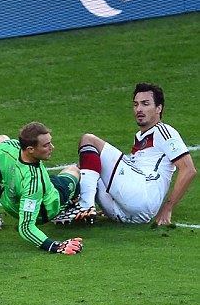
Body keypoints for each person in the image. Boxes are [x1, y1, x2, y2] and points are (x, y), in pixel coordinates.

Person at [55, 82, 196, 224]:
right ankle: (65, 208)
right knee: (86, 168)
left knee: (88, 140)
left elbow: (189, 170)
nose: (139, 109)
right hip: (130, 214)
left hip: (143, 194)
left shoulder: (164, 131)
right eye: (136, 104)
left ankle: (85, 205)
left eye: (145, 104)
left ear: (158, 108)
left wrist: (167, 208)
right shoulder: (140, 136)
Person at [0, 122, 84, 254]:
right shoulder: (34, 183)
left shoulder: (7, 149)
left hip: (11, 198)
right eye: (46, 145)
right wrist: (55, 246)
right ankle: (73, 201)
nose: (52, 147)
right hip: (43, 214)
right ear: (30, 149)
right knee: (73, 171)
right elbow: (26, 227)